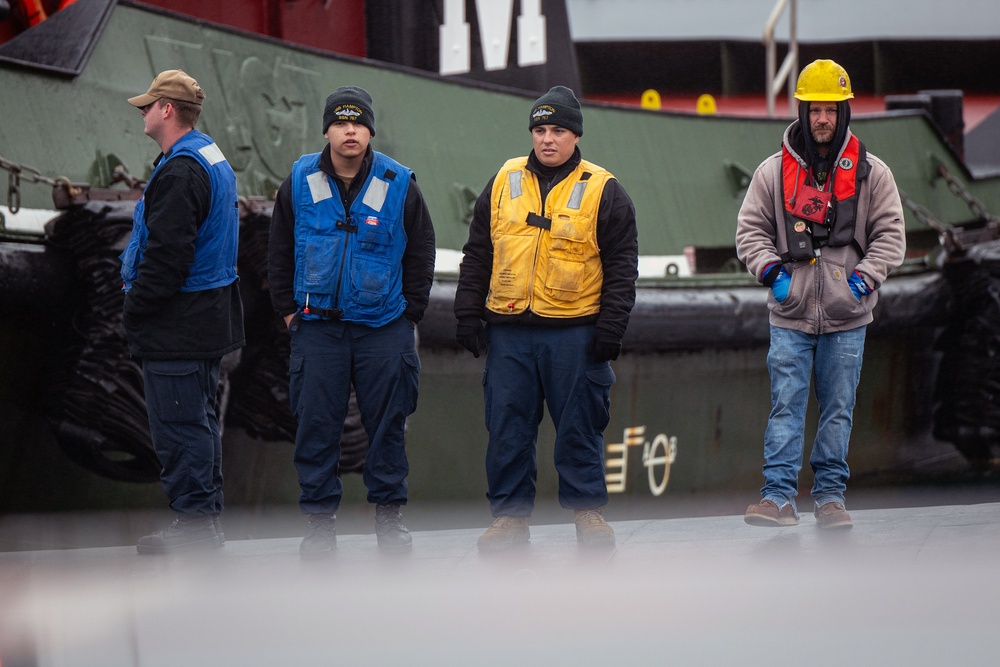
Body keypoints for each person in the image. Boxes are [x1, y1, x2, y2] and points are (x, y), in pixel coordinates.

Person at [454, 85, 639, 552]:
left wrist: (611, 327)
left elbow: (622, 266)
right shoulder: (503, 181)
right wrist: (467, 311)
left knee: (580, 427)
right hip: (509, 332)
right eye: (540, 130)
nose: (547, 139)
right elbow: (478, 252)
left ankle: (588, 514)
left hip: (575, 333)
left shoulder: (604, 190)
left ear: (576, 135)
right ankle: (509, 520)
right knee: (507, 428)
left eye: (558, 130)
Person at [735, 59, 906, 529]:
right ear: (803, 112)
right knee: (786, 404)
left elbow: (891, 236)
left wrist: (861, 282)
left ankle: (830, 499)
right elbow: (750, 232)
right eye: (815, 110)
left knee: (838, 409)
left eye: (831, 110)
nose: (822, 119)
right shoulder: (772, 173)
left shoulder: (874, 175)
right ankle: (779, 499)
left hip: (847, 317)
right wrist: (774, 275)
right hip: (789, 316)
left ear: (844, 113)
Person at [268, 86, 435, 558]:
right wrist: (288, 310)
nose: (350, 131)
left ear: (370, 132)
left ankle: (389, 519)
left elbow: (421, 249)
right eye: (341, 123)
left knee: (388, 424)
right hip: (317, 328)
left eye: (358, 124)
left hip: (384, 327)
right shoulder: (299, 180)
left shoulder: (397, 182)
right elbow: (278, 249)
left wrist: (411, 313)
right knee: (316, 424)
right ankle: (319, 525)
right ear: (327, 129)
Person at [121, 69, 245, 553]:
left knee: (178, 423)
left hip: (179, 322)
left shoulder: (178, 171)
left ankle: (195, 526)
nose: (143, 112)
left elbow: (168, 255)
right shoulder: (208, 157)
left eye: (148, 105)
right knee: (198, 420)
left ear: (168, 110)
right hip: (207, 317)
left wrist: (135, 308)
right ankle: (204, 521)